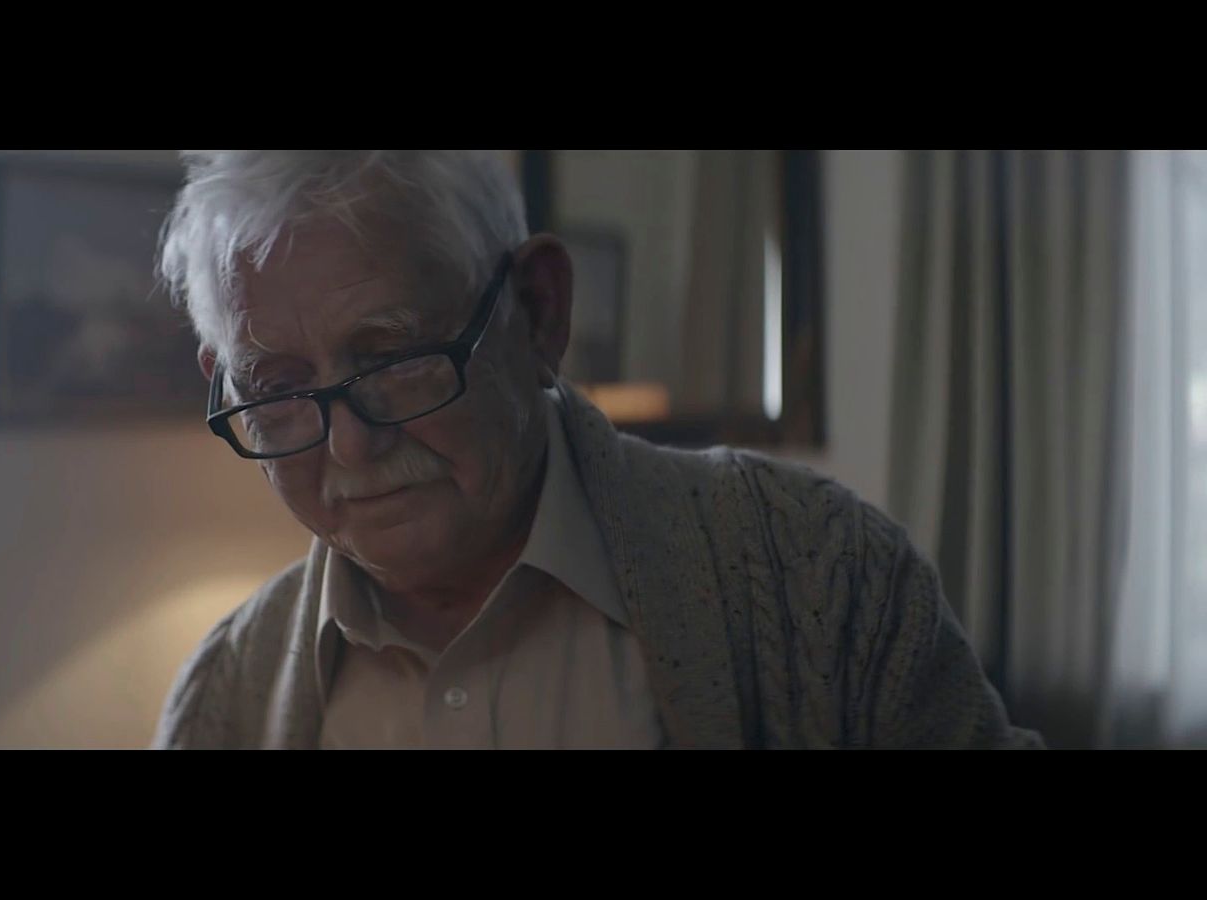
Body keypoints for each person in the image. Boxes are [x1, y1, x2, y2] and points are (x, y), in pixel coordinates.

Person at [150, 149, 1042, 750]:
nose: (348, 444)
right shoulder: (225, 700)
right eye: (276, 389)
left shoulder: (822, 575)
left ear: (539, 312)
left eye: (393, 357)